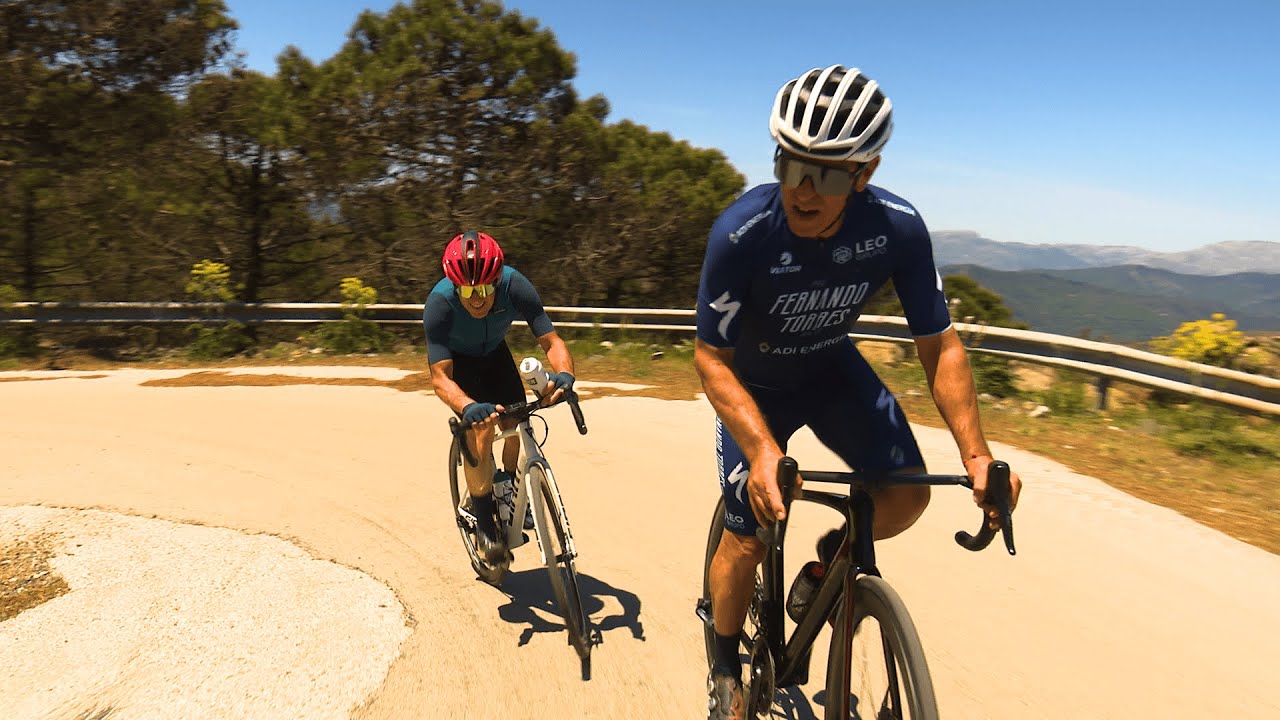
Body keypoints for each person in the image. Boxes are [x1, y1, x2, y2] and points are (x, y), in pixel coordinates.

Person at [695, 65, 1023, 718]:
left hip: (832, 370)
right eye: (792, 165)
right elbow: (709, 358)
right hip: (756, 388)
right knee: (749, 534)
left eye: (831, 173)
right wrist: (760, 449)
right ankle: (724, 666)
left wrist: (978, 457)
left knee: (904, 497)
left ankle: (824, 568)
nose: (805, 191)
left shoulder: (897, 228)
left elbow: (941, 345)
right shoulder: (742, 233)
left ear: (865, 174)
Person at [424, 231, 577, 565]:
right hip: (459, 363)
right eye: (466, 291)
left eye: (483, 289)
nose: (476, 298)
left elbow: (551, 341)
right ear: (454, 287)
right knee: (481, 428)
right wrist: (467, 406)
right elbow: (440, 377)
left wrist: (565, 374)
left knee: (516, 417)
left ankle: (508, 486)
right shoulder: (439, 303)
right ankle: (484, 522)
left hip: (495, 356)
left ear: (496, 281)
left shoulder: (514, 284)